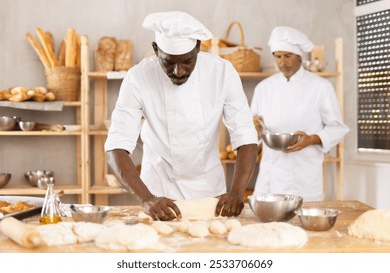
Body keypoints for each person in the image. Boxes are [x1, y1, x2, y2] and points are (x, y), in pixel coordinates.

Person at [105, 11, 258, 220]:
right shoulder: (138, 78)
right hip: (158, 192)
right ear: (156, 49)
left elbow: (245, 136)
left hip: (209, 192)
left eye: (187, 61)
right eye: (168, 62)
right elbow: (116, 146)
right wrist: (146, 199)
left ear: (198, 47)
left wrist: (237, 193)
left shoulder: (222, 72)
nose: (178, 71)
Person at [251, 26, 349, 201]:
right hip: (270, 176)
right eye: (278, 56)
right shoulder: (263, 88)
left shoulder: (320, 87)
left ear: (299, 56)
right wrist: (256, 129)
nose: (282, 62)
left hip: (304, 177)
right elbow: (255, 131)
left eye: (288, 56)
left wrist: (311, 139)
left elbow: (337, 128)